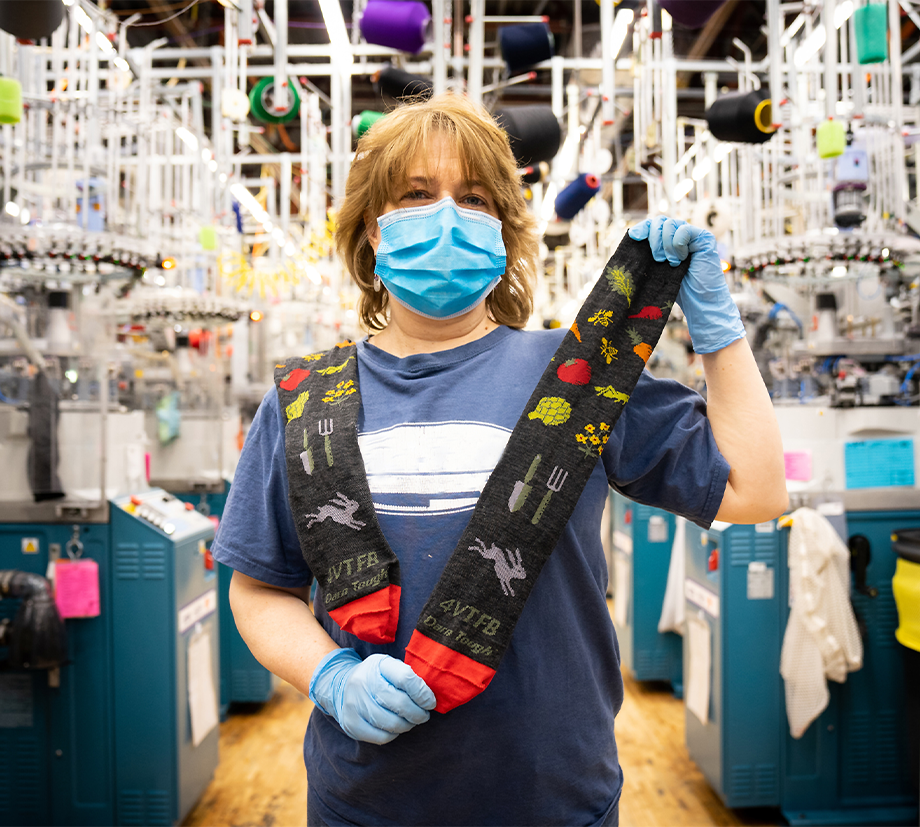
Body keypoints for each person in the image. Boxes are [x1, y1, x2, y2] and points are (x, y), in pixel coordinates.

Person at [212, 92, 787, 827]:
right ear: (369, 232)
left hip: (554, 797)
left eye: (474, 198)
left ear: (507, 232)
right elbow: (260, 589)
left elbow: (756, 489)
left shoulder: (577, 376)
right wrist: (328, 677)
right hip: (366, 803)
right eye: (416, 195)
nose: (446, 215)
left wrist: (717, 331)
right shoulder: (303, 401)